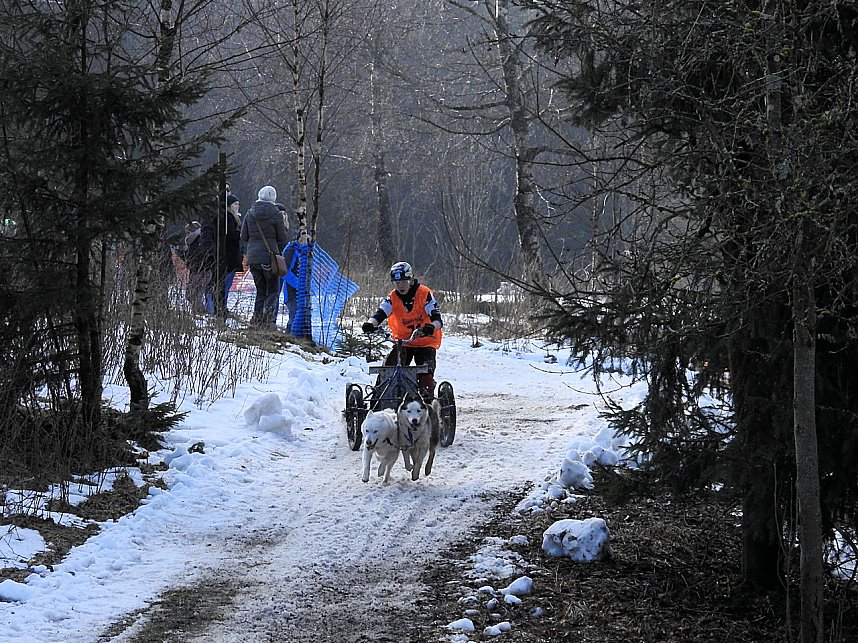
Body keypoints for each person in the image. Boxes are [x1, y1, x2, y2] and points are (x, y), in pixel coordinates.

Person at [362, 261, 443, 397]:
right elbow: (380, 313)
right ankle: (378, 399)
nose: (400, 286)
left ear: (410, 279)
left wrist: (431, 327)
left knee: (425, 373)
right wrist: (371, 323)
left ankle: (427, 402)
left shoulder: (424, 294)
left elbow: (437, 319)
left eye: (404, 281)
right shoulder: (392, 297)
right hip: (403, 342)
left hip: (425, 341)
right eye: (397, 283)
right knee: (388, 369)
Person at [240, 185, 289, 328]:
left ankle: (256, 319)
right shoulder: (276, 214)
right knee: (273, 290)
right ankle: (268, 322)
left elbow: (244, 236)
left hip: (253, 257)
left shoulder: (250, 213)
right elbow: (282, 237)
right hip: (270, 257)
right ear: (273, 197)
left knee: (260, 290)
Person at [214, 193, 244, 318]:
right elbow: (231, 236)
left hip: (231, 256)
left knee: (226, 284)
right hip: (229, 256)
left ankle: (222, 306)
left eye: (238, 204)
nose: (237, 206)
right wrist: (241, 235)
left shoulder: (232, 218)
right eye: (235, 204)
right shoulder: (228, 218)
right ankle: (220, 307)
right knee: (224, 284)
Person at [182, 220, 216, 314]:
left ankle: (199, 310)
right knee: (203, 292)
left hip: (198, 270)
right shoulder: (202, 239)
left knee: (194, 293)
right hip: (204, 269)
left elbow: (194, 256)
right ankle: (206, 310)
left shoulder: (192, 241)